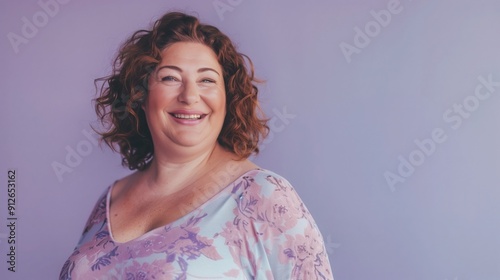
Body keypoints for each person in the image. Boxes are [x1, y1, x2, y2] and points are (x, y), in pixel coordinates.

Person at [60, 11, 333, 280]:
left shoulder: (264, 197)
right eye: (170, 78)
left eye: (207, 80)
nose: (190, 96)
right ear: (140, 95)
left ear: (228, 98)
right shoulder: (110, 199)